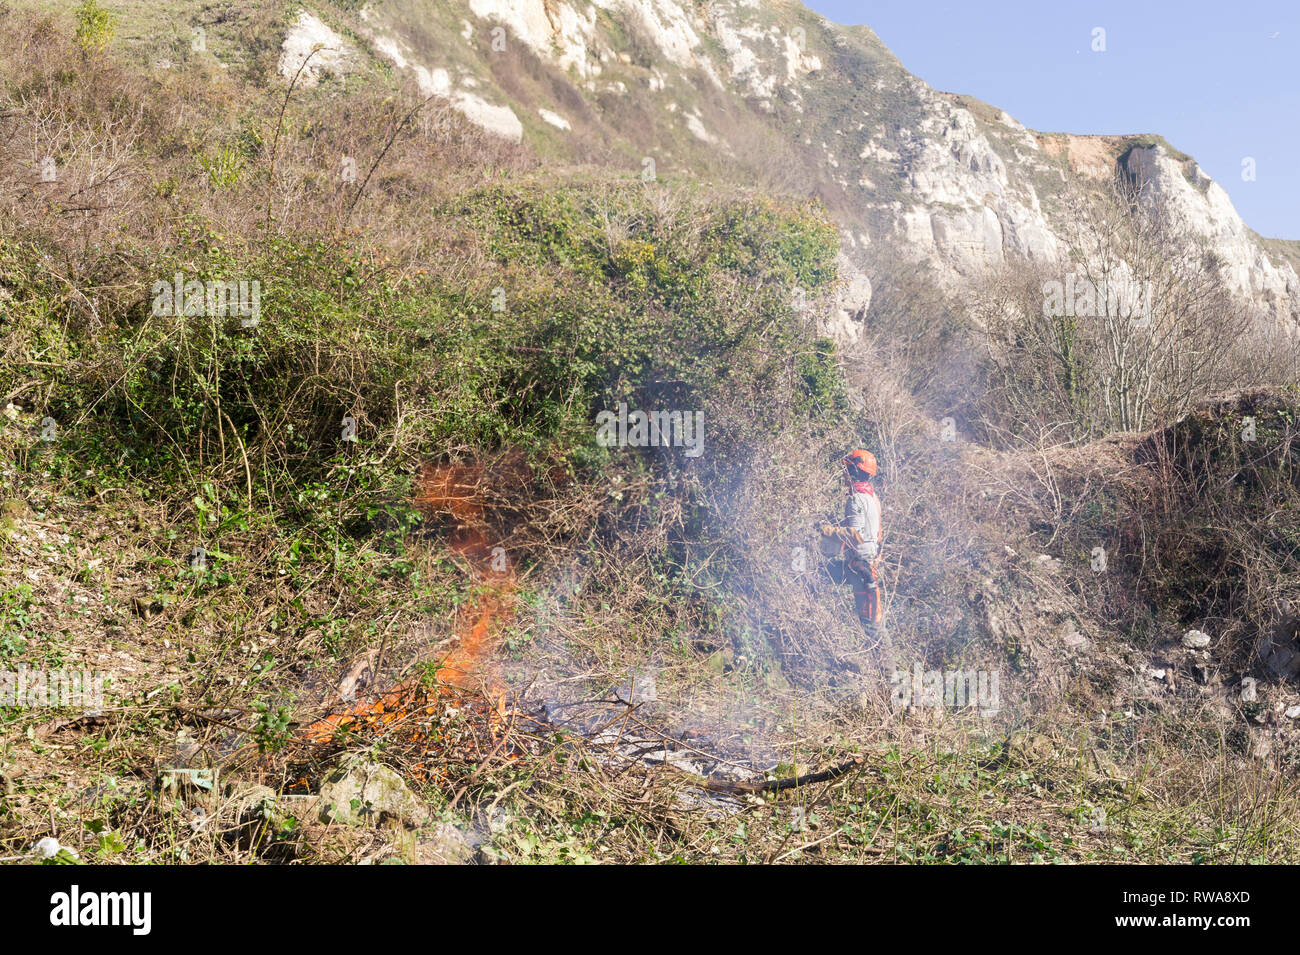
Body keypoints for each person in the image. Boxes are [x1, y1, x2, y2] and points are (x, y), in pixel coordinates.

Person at [819, 449, 885, 645]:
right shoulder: (873, 498)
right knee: (821, 576)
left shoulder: (855, 499)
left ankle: (886, 670)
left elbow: (855, 537)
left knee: (872, 627)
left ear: (854, 471)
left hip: (860, 569)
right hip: (865, 565)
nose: (844, 474)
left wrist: (825, 530)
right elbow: (879, 536)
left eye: (847, 470)